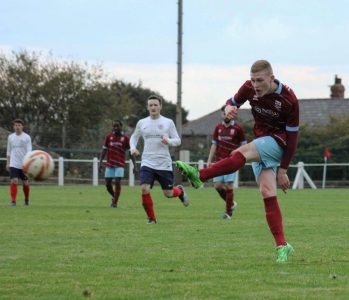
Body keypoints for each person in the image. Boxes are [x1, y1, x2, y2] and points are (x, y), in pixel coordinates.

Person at [176, 60, 299, 262]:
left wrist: (283, 170)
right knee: (267, 193)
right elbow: (231, 101)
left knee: (243, 150)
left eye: (260, 80)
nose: (256, 85)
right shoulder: (248, 88)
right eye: (253, 80)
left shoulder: (289, 99)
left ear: (271, 77)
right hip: (261, 140)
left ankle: (200, 175)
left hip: (279, 143)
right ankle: (282, 246)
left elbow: (293, 138)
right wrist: (229, 108)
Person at [130, 95, 189, 224]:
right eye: (150, 105)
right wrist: (132, 148)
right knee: (144, 188)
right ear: (147, 107)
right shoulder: (142, 122)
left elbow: (178, 140)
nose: (153, 107)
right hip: (147, 162)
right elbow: (134, 137)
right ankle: (152, 219)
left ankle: (179, 191)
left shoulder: (168, 122)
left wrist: (168, 141)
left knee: (168, 193)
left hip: (163, 163)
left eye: (155, 105)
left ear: (160, 107)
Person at [207, 105, 247, 219]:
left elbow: (244, 146)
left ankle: (228, 213)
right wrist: (209, 160)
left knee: (229, 186)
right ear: (221, 114)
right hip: (219, 162)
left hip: (231, 162)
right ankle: (232, 203)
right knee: (217, 186)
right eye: (224, 113)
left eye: (228, 113)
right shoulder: (218, 128)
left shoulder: (238, 129)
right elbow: (214, 144)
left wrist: (240, 156)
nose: (226, 115)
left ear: (232, 115)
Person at [99, 120, 136, 208]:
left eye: (117, 126)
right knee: (108, 184)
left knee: (117, 181)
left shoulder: (125, 138)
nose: (115, 128)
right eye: (114, 126)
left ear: (121, 127)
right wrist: (100, 163)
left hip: (120, 164)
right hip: (109, 164)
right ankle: (114, 197)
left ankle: (114, 202)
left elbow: (131, 152)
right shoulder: (109, 137)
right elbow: (104, 150)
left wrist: (135, 165)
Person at [6, 119, 32, 206]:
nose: (17, 127)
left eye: (19, 125)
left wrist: (28, 163)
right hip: (13, 163)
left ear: (22, 126)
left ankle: (26, 200)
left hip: (24, 164)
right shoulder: (10, 137)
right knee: (14, 181)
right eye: (16, 125)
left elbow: (29, 151)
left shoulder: (27, 137)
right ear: (14, 127)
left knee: (25, 183)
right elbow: (9, 151)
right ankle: (13, 201)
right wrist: (8, 163)